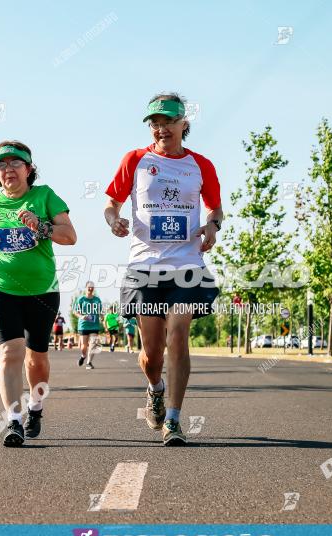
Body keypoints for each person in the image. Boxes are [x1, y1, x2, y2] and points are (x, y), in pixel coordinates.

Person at [103, 92, 223, 446]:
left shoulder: (201, 165)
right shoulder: (135, 160)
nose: (161, 128)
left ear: (184, 124)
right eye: (155, 123)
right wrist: (114, 221)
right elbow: (112, 203)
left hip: (186, 264)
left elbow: (216, 209)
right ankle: (155, 388)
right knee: (151, 354)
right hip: (144, 266)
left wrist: (212, 227)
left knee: (178, 334)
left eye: (168, 122)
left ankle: (173, 419)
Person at [0, 140, 77, 447]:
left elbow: (70, 236)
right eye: (1, 165)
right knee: (10, 352)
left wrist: (41, 226)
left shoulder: (44, 197)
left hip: (41, 292)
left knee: (37, 359)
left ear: (29, 169)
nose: (8, 170)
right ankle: (13, 421)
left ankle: (36, 407)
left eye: (15, 163)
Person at [72, 282, 103, 369]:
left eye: (92, 287)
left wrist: (102, 317)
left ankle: (89, 363)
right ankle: (83, 356)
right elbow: (75, 311)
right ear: (86, 288)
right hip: (84, 325)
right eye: (89, 287)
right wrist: (82, 316)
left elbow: (100, 311)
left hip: (94, 325)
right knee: (84, 346)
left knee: (93, 344)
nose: (91, 288)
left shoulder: (97, 299)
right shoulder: (81, 299)